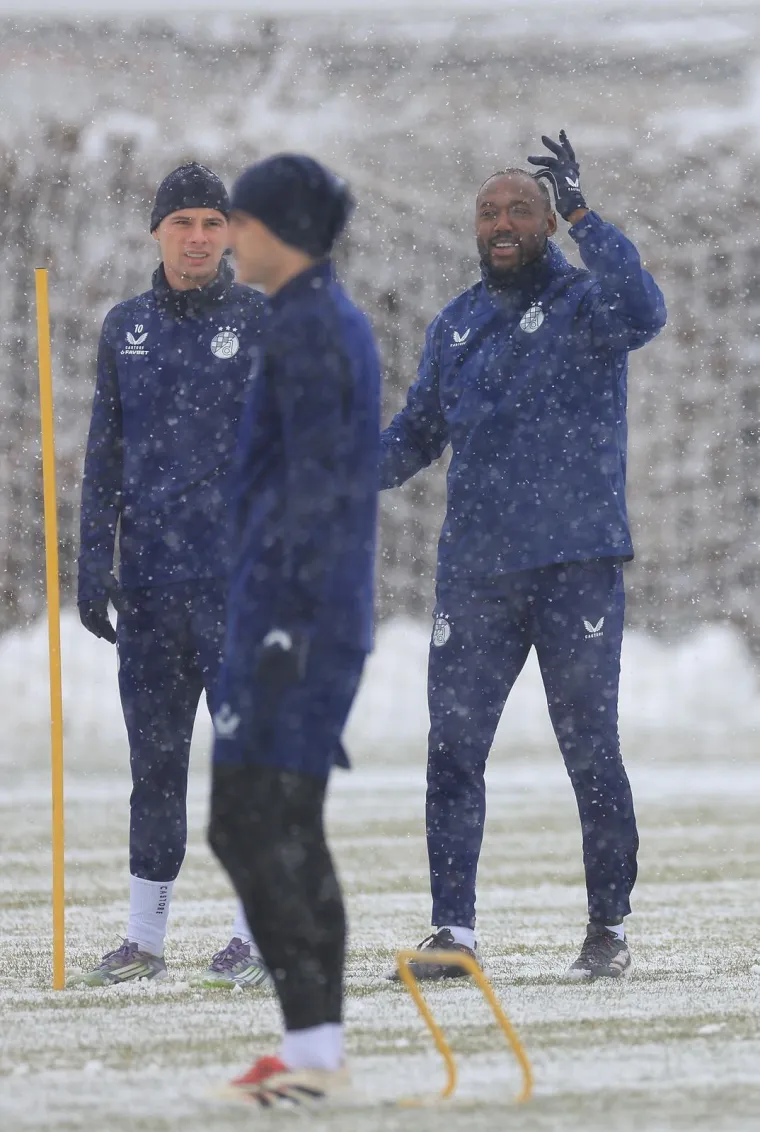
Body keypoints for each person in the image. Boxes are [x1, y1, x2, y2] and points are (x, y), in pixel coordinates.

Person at [382, 131, 667, 982]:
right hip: (476, 574)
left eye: (519, 210)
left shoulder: (588, 303)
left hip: (576, 564)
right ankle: (453, 933)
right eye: (488, 212)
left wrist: (585, 214)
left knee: (590, 748)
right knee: (452, 749)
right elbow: (416, 434)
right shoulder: (455, 324)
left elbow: (647, 309)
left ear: (545, 223)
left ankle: (607, 928)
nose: (501, 222)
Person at [207, 154, 380, 1108]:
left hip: (296, 622)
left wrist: (290, 624)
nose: (228, 235)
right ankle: (314, 1052)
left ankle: (315, 1054)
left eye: (238, 219)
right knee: (272, 825)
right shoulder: (306, 318)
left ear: (279, 229)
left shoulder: (315, 327)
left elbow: (321, 490)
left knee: (253, 823)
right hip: (284, 612)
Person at [72, 163, 269, 989]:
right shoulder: (126, 327)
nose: (196, 237)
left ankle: (254, 937)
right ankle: (143, 940)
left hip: (238, 586)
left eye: (211, 223)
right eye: (182, 221)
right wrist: (93, 557)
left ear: (229, 234)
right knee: (154, 766)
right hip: (151, 589)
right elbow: (105, 451)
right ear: (156, 231)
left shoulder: (261, 321)